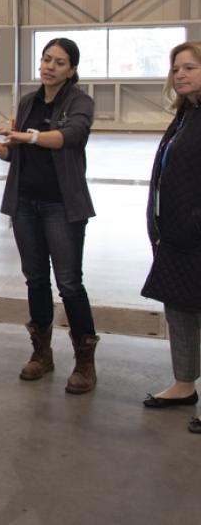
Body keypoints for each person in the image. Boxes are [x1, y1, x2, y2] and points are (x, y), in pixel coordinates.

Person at [0, 37, 99, 393]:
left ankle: (85, 364)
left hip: (62, 205)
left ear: (71, 69)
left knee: (70, 283)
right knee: (35, 280)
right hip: (25, 204)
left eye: (59, 62)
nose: (49, 67)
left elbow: (71, 137)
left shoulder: (80, 102)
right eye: (46, 59)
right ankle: (42, 354)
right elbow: (15, 154)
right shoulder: (28, 101)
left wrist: (27, 136)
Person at [141, 41, 201, 433]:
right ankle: (184, 383)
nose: (180, 74)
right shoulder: (186, 114)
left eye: (190, 67)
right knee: (178, 308)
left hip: (195, 232)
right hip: (175, 234)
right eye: (176, 68)